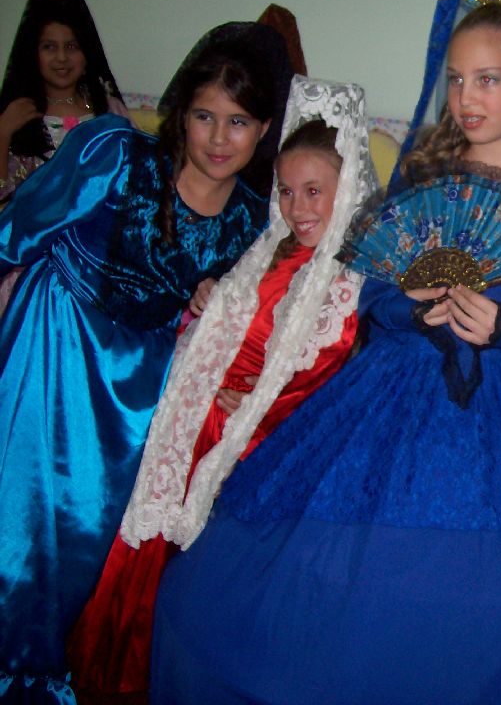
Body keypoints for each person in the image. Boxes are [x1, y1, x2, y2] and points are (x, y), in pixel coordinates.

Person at [150, 0, 501, 703]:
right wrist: (414, 305)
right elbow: (370, 297)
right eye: (457, 79)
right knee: (274, 587)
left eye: (489, 78)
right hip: (394, 389)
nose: (466, 98)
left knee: (478, 609)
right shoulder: (424, 170)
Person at [0, 24, 286, 703]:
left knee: (85, 536)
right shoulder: (116, 153)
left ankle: (42, 672)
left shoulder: (254, 222)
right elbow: (18, 228)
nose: (219, 138)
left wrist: (221, 335)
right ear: (180, 113)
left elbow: (242, 327)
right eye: (205, 116)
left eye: (239, 122)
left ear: (263, 129)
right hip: (54, 344)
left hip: (137, 391)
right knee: (19, 517)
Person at [65, 79, 370, 701]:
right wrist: (210, 298)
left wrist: (262, 405)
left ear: (347, 190)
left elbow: (330, 378)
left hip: (255, 450)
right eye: (286, 190)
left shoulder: (348, 279)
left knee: (200, 600)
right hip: (199, 429)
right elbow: (226, 329)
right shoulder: (270, 251)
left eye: (314, 191)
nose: (297, 206)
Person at [0, 0, 131, 203]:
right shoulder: (20, 115)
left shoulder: (108, 110)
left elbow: (134, 177)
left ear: (87, 53)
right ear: (33, 54)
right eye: (49, 47)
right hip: (34, 224)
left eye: (72, 46)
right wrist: (3, 133)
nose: (61, 58)